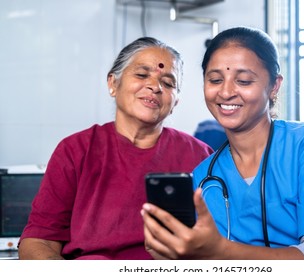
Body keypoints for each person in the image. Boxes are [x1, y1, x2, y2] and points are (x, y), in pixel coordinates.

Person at [141, 27, 304, 260]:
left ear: (274, 86)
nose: (226, 92)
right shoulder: (204, 177)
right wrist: (175, 253)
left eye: (244, 81)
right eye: (215, 80)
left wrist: (220, 250)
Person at [18, 37, 213, 260]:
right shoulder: (75, 151)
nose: (155, 87)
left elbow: (219, 242)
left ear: (175, 101)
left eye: (168, 83)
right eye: (142, 75)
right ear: (113, 83)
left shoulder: (201, 156)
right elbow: (39, 240)